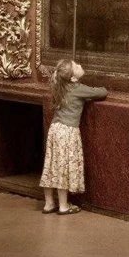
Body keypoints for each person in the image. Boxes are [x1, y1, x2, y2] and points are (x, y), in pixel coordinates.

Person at [39, 59, 107, 214]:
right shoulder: (78, 88)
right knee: (63, 167)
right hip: (68, 131)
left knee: (51, 165)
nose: (80, 65)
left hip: (55, 129)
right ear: (73, 78)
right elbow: (102, 92)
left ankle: (49, 203)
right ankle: (63, 206)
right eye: (77, 66)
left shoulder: (59, 86)